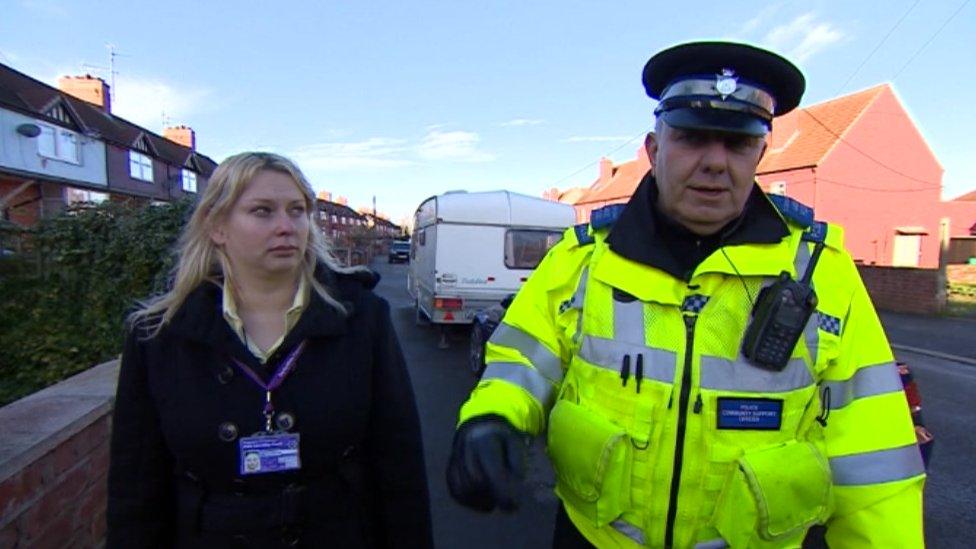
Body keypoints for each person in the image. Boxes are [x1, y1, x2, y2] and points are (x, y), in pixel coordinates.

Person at [446, 41, 925, 548]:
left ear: (760, 154)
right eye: (694, 138)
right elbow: (521, 362)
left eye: (736, 144)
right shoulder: (582, 260)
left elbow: (876, 467)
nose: (715, 163)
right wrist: (490, 416)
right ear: (655, 151)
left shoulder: (821, 273)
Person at [107, 152, 433, 548]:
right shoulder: (159, 333)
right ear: (216, 227)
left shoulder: (362, 317)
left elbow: (399, 465)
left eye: (297, 211)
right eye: (262, 211)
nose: (287, 227)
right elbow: (136, 486)